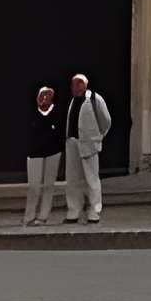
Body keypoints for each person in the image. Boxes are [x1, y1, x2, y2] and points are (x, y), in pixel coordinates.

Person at [61, 70, 113, 223]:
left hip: (88, 143)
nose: (72, 87)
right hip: (72, 143)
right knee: (72, 179)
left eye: (76, 84)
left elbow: (106, 121)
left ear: (83, 85)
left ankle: (94, 210)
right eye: (72, 84)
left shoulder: (95, 99)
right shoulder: (72, 101)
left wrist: (98, 137)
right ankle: (74, 210)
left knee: (91, 178)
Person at [22, 85, 65, 226]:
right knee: (34, 186)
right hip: (34, 154)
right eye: (42, 95)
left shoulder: (57, 114)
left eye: (48, 95)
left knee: (48, 185)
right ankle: (29, 216)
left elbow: (60, 134)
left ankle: (43, 216)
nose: (44, 98)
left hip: (53, 153)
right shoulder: (31, 114)